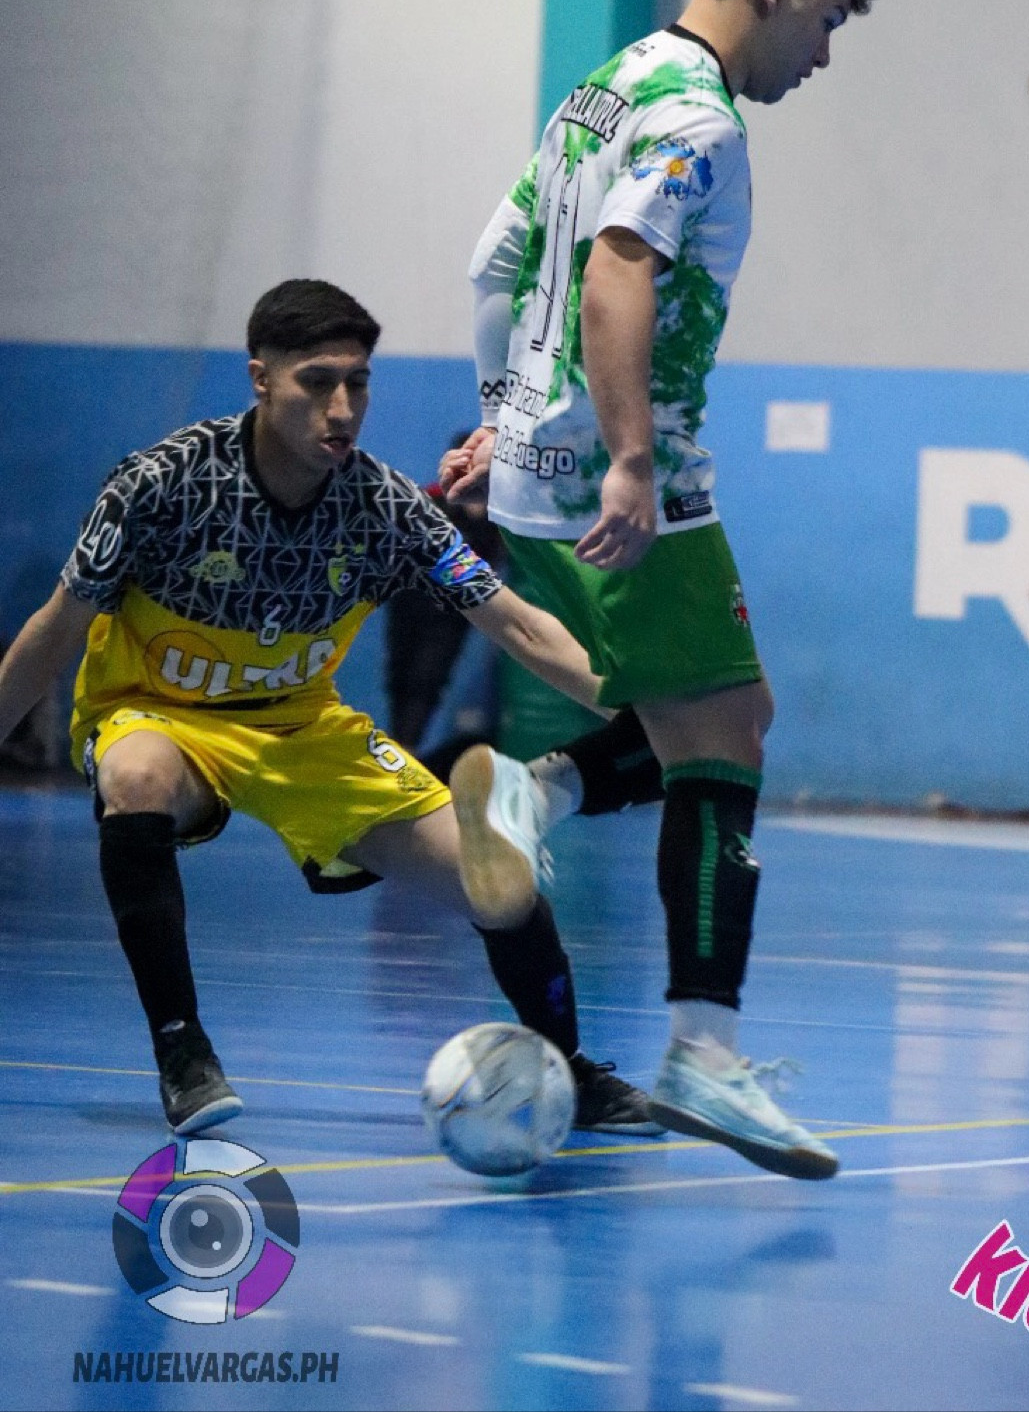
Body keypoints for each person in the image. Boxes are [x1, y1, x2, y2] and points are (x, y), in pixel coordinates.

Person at [441, 0, 885, 1181]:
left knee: (718, 714)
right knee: (728, 737)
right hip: (630, 479)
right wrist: (631, 458)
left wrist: (501, 416)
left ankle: (542, 791)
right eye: (828, 20)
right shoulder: (699, 118)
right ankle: (703, 1048)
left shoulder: (609, 84)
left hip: (540, 464)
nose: (824, 54)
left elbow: (497, 259)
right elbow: (617, 275)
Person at [0, 279, 658, 1136]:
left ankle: (570, 1070)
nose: (342, 407)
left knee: (499, 880)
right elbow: (54, 631)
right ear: (261, 378)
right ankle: (183, 1049)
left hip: (304, 726)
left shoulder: (386, 507)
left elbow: (519, 626)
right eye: (317, 381)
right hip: (156, 712)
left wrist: (645, 704)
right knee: (138, 777)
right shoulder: (161, 486)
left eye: (358, 382)